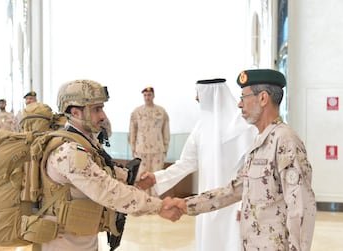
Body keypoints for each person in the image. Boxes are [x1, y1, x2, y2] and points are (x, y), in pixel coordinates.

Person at [170, 69, 317, 251]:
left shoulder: (285, 140)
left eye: (244, 97)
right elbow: (236, 189)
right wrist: (187, 205)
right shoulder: (260, 141)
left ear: (263, 98)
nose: (239, 104)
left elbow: (301, 207)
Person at [40, 79, 182, 251]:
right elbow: (108, 190)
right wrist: (159, 206)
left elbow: (104, 168)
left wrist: (135, 177)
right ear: (76, 112)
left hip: (82, 240)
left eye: (102, 108)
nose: (103, 116)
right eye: (96, 109)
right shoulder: (69, 151)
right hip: (63, 244)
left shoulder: (85, 142)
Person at [138, 78, 257, 251]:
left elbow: (251, 174)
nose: (196, 98)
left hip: (234, 203)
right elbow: (186, 162)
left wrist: (243, 204)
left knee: (233, 242)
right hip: (206, 201)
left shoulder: (245, 128)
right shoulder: (201, 127)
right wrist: (156, 177)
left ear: (212, 95)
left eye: (199, 93)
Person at [128, 87, 170, 195]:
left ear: (153, 95)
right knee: (141, 176)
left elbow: (166, 130)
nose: (147, 97)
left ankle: (155, 202)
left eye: (149, 95)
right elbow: (132, 131)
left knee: (156, 176)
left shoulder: (161, 112)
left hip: (157, 149)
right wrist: (133, 147)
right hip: (141, 149)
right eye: (145, 95)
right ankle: (143, 201)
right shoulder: (137, 112)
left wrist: (165, 147)